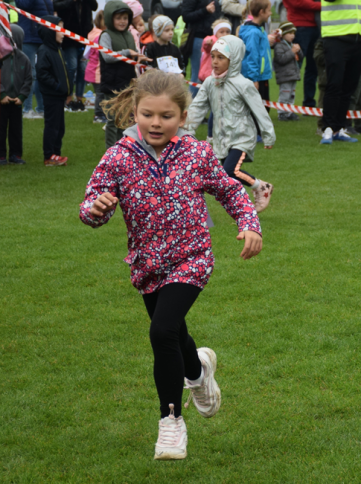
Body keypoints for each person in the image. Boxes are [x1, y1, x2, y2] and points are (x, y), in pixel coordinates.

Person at [80, 69, 262, 461]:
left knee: (161, 331)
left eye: (165, 116)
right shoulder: (118, 158)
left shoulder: (195, 153)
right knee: (174, 334)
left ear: (182, 117)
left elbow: (230, 190)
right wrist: (96, 209)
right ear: (134, 112)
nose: (156, 123)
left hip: (192, 258)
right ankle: (198, 372)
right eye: (147, 114)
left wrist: (249, 224)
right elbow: (90, 205)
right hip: (148, 265)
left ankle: (170, 422)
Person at [186, 36, 276, 211]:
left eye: (221, 58)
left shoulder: (243, 84)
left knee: (230, 171)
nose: (215, 62)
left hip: (242, 137)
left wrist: (268, 135)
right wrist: (186, 130)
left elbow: (260, 111)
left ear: (233, 59)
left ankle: (262, 187)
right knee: (224, 177)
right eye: (213, 57)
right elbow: (197, 108)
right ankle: (242, 209)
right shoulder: (210, 83)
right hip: (222, 139)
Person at [319, 0, 361, 145]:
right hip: (335, 39)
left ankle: (339, 128)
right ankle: (327, 128)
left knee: (349, 88)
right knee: (334, 85)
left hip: (358, 42)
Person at [98, 0, 149, 150]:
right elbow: (108, 56)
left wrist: (138, 58)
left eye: (125, 18)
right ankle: (110, 152)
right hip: (112, 84)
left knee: (126, 119)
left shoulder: (128, 34)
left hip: (127, 83)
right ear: (110, 18)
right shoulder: (106, 35)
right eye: (118, 18)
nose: (122, 21)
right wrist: (127, 53)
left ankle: (123, 150)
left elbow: (130, 57)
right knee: (112, 121)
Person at [0, 24, 31, 165]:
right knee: (0, 129)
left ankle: (16, 154)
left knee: (16, 130)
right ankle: (0, 154)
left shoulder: (24, 59)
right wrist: (1, 94)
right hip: (2, 101)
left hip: (17, 101)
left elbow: (28, 79)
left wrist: (21, 97)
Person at [36, 15, 70, 166]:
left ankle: (56, 152)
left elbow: (65, 73)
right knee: (52, 126)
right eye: (60, 29)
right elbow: (42, 74)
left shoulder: (58, 50)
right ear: (50, 31)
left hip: (60, 96)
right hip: (52, 95)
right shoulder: (44, 51)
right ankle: (49, 155)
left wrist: (68, 91)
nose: (63, 33)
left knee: (60, 127)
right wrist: (57, 86)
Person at [53, 0, 96, 109]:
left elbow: (94, 6)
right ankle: (68, 98)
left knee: (82, 68)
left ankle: (79, 99)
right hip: (69, 39)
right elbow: (56, 5)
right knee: (71, 67)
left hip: (84, 38)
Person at [16, 0, 54, 119]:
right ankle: (27, 109)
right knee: (30, 74)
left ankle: (41, 109)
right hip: (29, 36)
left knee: (42, 74)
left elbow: (50, 12)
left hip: (42, 36)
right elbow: (24, 4)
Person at [239, 0, 274, 120]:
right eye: (269, 10)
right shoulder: (253, 32)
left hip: (262, 75)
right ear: (261, 12)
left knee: (264, 106)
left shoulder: (259, 29)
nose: (270, 13)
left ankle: (260, 131)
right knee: (257, 106)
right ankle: (256, 133)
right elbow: (251, 56)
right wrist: (253, 79)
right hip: (257, 76)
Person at [283, 0, 321, 108]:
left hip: (314, 26)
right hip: (299, 27)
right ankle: (286, 105)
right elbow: (297, 2)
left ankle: (309, 103)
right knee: (293, 68)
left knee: (313, 68)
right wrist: (320, 5)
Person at [182, 0, 222, 96]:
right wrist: (205, 10)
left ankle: (206, 105)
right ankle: (191, 105)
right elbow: (186, 16)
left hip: (213, 39)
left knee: (211, 74)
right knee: (198, 75)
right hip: (198, 38)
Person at [273, 21, 302, 122]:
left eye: (293, 33)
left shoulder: (291, 45)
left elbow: (299, 58)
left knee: (291, 94)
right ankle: (281, 113)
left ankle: (289, 112)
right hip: (284, 75)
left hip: (293, 75)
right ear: (283, 34)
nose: (292, 36)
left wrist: (299, 51)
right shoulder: (279, 46)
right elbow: (281, 59)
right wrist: (292, 51)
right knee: (284, 94)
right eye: (290, 33)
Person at [84, 10, 105, 124]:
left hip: (94, 69)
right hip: (97, 70)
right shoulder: (100, 36)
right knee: (100, 94)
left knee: (100, 93)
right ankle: (98, 114)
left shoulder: (94, 34)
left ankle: (101, 113)